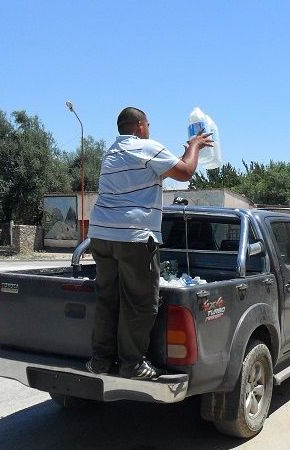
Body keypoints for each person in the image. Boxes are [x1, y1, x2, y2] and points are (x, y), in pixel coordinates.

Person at [86, 106, 213, 380]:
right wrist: (195, 146)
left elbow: (166, 170)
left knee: (108, 299)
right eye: (149, 126)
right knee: (140, 303)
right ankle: (132, 364)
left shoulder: (111, 152)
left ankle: (100, 361)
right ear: (140, 125)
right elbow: (186, 172)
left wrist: (184, 153)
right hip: (133, 237)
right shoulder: (145, 148)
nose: (150, 130)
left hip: (101, 235)